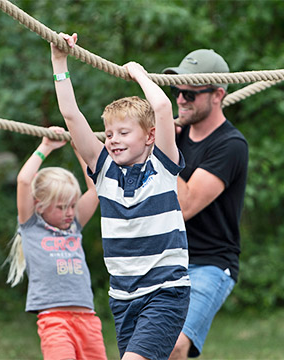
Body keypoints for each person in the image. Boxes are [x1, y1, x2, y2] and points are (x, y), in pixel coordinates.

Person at [53, 33, 189, 360]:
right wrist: (59, 62)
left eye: (124, 133)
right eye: (110, 133)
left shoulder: (162, 165)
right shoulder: (104, 172)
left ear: (149, 136)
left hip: (165, 293)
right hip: (123, 298)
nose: (113, 140)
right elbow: (72, 116)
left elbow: (160, 106)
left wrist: (139, 74)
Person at [158, 50, 248, 360]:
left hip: (210, 263)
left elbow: (185, 205)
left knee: (174, 346)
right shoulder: (176, 136)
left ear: (217, 95)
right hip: (167, 258)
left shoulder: (231, 145)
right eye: (176, 91)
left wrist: (164, 145)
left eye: (190, 93)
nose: (180, 99)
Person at [5, 126, 105, 360]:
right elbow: (23, 180)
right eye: (61, 207)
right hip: (55, 320)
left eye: (72, 205)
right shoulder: (31, 226)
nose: (69, 212)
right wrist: (45, 147)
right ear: (39, 205)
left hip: (88, 319)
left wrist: (81, 149)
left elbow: (96, 189)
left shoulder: (74, 224)